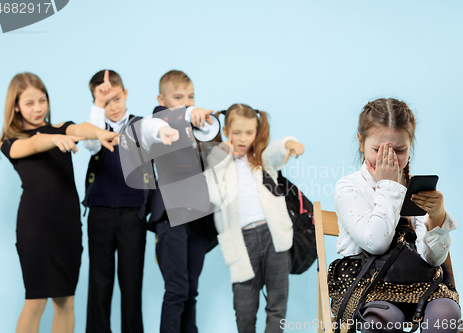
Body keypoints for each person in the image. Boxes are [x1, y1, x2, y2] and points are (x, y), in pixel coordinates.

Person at [0, 72, 117, 333]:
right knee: (36, 301)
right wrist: (54, 139)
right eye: (29, 103)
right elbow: (34, 143)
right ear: (16, 106)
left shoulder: (62, 128)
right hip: (35, 229)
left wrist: (99, 133)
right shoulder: (10, 143)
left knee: (66, 301)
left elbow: (80, 129)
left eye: (42, 100)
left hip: (67, 227)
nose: (38, 108)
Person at [332, 98, 460, 332]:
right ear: (361, 142)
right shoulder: (349, 187)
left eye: (399, 151)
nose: (388, 159)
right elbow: (377, 243)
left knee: (446, 314)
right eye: (378, 150)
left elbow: (433, 260)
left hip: (419, 283)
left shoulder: (415, 188)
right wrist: (388, 186)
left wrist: (437, 216)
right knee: (380, 322)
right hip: (370, 286)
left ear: (410, 146)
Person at [82, 70, 176, 333]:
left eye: (116, 99)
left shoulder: (138, 126)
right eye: (104, 101)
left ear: (126, 94)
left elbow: (152, 127)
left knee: (131, 283)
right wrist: (96, 107)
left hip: (132, 215)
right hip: (99, 213)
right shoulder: (95, 129)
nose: (112, 107)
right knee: (99, 283)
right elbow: (90, 143)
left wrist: (165, 128)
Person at [204, 103, 305, 333]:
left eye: (249, 133)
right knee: (244, 309)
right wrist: (223, 152)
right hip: (243, 241)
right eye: (236, 132)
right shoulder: (218, 162)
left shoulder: (261, 159)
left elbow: (277, 151)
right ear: (227, 130)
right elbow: (212, 193)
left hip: (273, 236)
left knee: (277, 304)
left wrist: (290, 144)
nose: (243, 139)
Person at [135, 70, 214, 333]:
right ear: (162, 99)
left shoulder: (197, 129)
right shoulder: (159, 121)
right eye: (178, 97)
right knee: (177, 289)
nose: (186, 101)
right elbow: (156, 123)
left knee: (191, 290)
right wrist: (185, 115)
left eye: (190, 97)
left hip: (198, 218)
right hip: (171, 217)